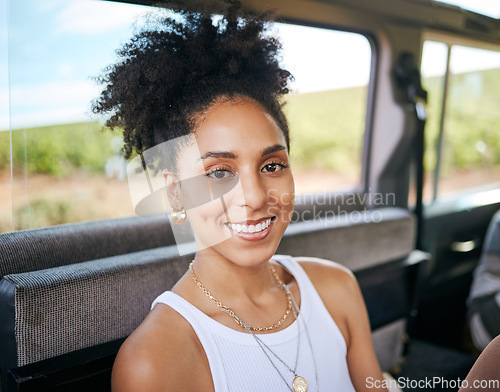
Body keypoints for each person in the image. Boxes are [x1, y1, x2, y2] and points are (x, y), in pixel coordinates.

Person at [92, 1, 388, 391]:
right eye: (219, 172)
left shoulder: (337, 289)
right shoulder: (156, 361)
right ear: (175, 194)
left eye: (271, 166)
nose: (253, 196)